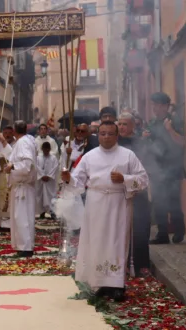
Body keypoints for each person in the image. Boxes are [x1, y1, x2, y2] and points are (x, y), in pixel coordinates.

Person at [61, 121, 149, 301]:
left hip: (119, 204)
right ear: (97, 135)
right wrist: (68, 178)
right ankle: (99, 283)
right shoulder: (89, 156)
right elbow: (77, 183)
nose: (106, 137)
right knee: (97, 241)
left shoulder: (128, 155)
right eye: (102, 133)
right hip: (96, 203)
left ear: (117, 136)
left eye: (110, 134)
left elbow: (143, 180)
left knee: (117, 241)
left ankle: (116, 285)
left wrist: (124, 178)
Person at [145, 92, 186, 244]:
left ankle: (179, 231)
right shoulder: (152, 123)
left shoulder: (174, 121)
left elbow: (182, 142)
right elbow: (149, 145)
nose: (154, 108)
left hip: (173, 167)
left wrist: (170, 130)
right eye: (153, 104)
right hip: (157, 168)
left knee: (173, 200)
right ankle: (162, 234)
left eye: (156, 105)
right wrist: (145, 137)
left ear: (164, 106)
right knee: (158, 201)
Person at [118, 112, 151, 276]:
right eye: (120, 124)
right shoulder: (114, 143)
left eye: (125, 124)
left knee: (140, 229)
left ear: (133, 126)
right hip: (118, 192)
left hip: (138, 191)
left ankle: (142, 264)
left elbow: (147, 167)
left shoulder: (141, 144)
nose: (122, 127)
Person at [4, 121, 39, 257]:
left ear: (14, 131)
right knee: (20, 217)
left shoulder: (23, 143)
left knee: (22, 217)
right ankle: (23, 245)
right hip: (21, 186)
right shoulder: (27, 141)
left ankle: (26, 247)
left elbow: (26, 164)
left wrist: (12, 167)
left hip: (23, 187)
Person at [36, 142, 59, 219]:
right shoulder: (38, 158)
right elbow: (37, 167)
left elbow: (55, 167)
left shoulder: (53, 158)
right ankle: (41, 212)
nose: (46, 150)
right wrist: (42, 175)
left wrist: (49, 176)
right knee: (40, 196)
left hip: (50, 181)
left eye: (47, 149)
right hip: (41, 181)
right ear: (42, 149)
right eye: (44, 148)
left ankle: (52, 211)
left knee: (51, 195)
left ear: (49, 149)